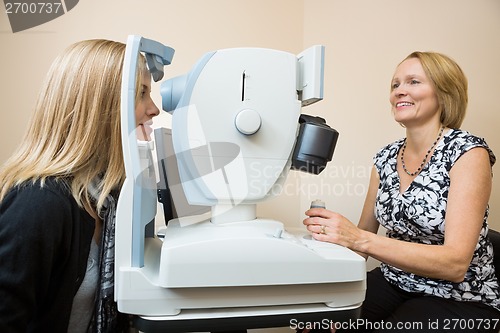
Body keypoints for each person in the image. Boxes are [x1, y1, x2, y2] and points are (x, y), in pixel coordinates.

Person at [303, 52, 500, 332]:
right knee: (313, 320)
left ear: (444, 92)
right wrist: (326, 240)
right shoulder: (384, 158)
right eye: (395, 85)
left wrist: (358, 238)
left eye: (413, 82)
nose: (400, 91)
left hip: (461, 295)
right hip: (396, 280)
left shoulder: (468, 152)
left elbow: (455, 264)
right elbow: (360, 246)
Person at [0, 39, 160, 332]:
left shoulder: (108, 196)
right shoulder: (37, 204)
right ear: (101, 106)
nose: (154, 109)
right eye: (142, 94)